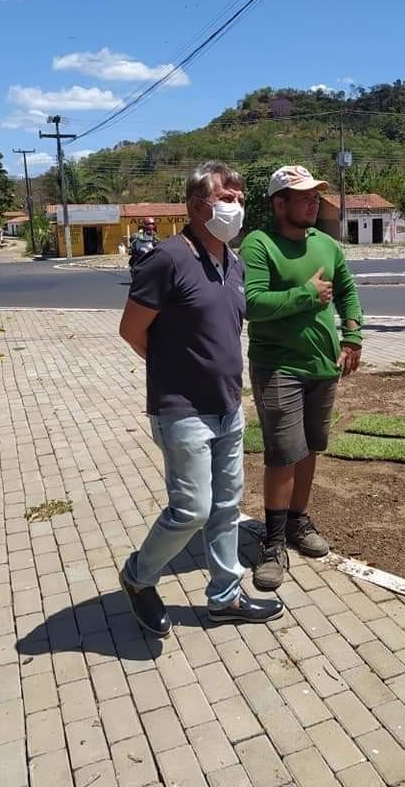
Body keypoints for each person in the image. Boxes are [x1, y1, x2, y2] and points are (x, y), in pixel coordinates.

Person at [118, 161, 284, 635]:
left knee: (228, 506)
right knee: (192, 509)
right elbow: (132, 329)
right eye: (225, 196)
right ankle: (137, 577)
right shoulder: (167, 259)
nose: (236, 204)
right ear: (196, 205)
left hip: (229, 407)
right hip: (183, 410)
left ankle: (225, 596)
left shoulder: (234, 263)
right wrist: (175, 371)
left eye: (239, 196)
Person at [240, 164, 363, 591]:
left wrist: (352, 336)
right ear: (279, 203)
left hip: (322, 366)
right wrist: (307, 295)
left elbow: (347, 291)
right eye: (304, 196)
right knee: (282, 453)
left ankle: (297, 521)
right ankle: (272, 542)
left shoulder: (327, 245)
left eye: (315, 195)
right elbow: (252, 303)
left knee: (309, 448)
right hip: (278, 367)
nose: (313, 201)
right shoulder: (259, 245)